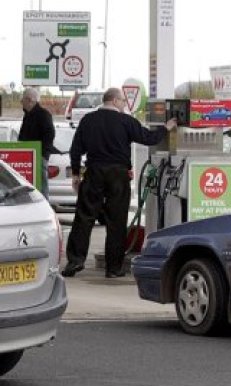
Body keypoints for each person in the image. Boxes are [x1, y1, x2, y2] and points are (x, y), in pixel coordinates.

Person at [62, 87, 177, 278]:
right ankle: (114, 268)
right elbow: (148, 138)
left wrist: (76, 174)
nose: (124, 104)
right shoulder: (126, 121)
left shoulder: (88, 121)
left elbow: (76, 150)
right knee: (116, 221)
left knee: (83, 218)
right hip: (118, 175)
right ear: (115, 101)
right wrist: (166, 128)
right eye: (123, 101)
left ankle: (75, 261)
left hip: (94, 172)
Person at [18, 87, 56, 200]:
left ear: (29, 100)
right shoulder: (28, 115)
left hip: (38, 156)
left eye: (22, 100)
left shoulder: (43, 115)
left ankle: (44, 209)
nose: (21, 103)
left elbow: (50, 135)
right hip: (27, 157)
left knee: (41, 186)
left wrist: (43, 155)